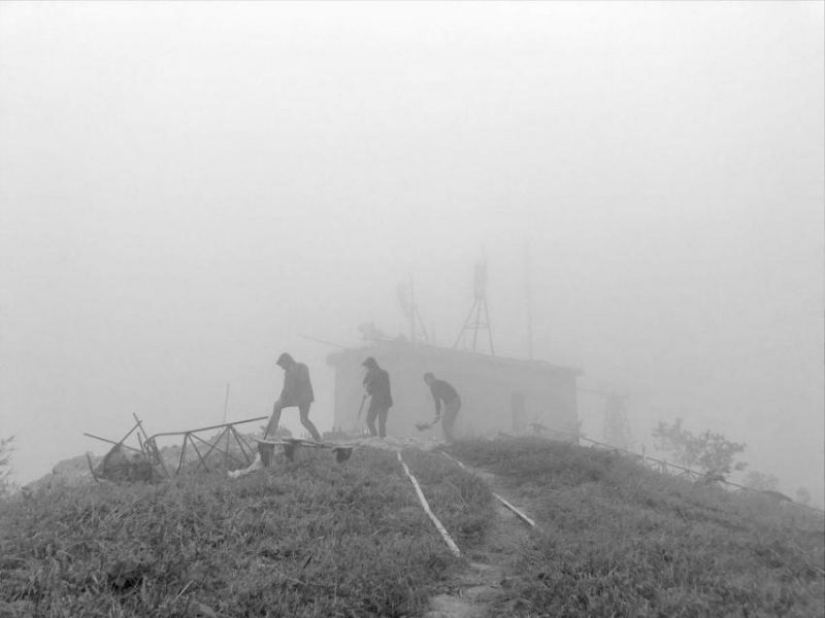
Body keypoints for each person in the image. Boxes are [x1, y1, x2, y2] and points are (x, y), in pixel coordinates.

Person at [265, 352, 322, 442]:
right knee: (278, 406)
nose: (282, 368)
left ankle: (318, 438)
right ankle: (270, 433)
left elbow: (297, 383)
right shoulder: (290, 371)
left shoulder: (300, 367)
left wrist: (284, 397)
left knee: (303, 419)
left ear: (287, 361)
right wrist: (282, 398)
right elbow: (286, 388)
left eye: (282, 365)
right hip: (297, 397)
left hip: (302, 397)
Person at [423, 372, 461, 442]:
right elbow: (439, 401)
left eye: (426, 380)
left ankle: (451, 441)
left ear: (431, 378)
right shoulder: (439, 383)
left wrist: (437, 415)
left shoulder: (434, 386)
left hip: (453, 402)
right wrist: (438, 415)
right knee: (448, 422)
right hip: (454, 402)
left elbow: (437, 402)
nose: (426, 383)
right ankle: (449, 440)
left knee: (445, 422)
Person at [362, 357, 393, 438]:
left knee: (377, 422)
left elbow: (376, 386)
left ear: (370, 366)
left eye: (367, 367)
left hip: (382, 401)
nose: (366, 369)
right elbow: (367, 382)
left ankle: (378, 438)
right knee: (373, 421)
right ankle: (376, 438)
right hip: (379, 401)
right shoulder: (375, 373)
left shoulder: (378, 374)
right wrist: (366, 386)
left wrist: (367, 391)